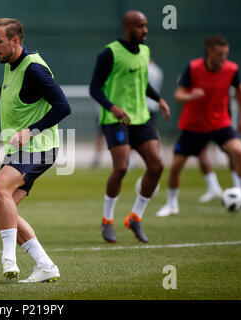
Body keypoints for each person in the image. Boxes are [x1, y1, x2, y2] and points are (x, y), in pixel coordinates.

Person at [0, 18, 71, 283]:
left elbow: (63, 107)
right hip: (21, 150)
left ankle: (8, 259)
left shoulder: (34, 69)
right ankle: (45, 265)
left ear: (15, 41)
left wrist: (30, 131)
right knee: (2, 209)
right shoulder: (13, 65)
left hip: (39, 147)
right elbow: (16, 97)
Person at [89, 10, 170, 243]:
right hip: (116, 119)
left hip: (141, 118)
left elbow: (142, 82)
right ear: (128, 28)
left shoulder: (145, 51)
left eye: (145, 26)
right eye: (140, 26)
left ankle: (136, 216)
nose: (145, 30)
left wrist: (159, 99)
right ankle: (107, 220)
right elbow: (94, 88)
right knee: (122, 168)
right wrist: (112, 107)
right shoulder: (110, 53)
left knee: (156, 166)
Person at [157, 34, 241, 217]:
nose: (223, 58)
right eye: (219, 54)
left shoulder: (231, 69)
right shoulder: (193, 68)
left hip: (220, 123)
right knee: (175, 167)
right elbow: (178, 95)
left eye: (225, 54)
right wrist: (191, 95)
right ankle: (172, 204)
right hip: (193, 125)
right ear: (209, 52)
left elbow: (239, 91)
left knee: (238, 152)